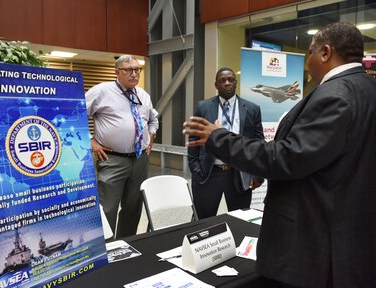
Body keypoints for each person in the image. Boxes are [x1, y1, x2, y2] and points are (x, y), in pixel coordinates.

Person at [183, 22, 376, 288]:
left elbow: (286, 158)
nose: (307, 63)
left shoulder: (336, 95)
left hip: (316, 237)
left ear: (325, 53)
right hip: (349, 228)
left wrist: (219, 138)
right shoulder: (367, 88)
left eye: (309, 53)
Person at [85, 55, 159, 238]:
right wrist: (91, 141)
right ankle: (107, 246)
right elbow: (74, 115)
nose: (134, 74)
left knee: (133, 207)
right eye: (129, 70)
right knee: (108, 207)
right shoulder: (101, 91)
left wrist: (150, 138)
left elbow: (153, 120)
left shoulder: (143, 95)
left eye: (137, 70)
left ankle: (127, 243)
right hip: (112, 159)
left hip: (140, 159)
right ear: (117, 72)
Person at [188, 67, 264, 219]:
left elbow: (258, 143)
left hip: (239, 172)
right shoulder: (203, 107)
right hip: (209, 173)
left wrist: (257, 174)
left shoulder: (252, 109)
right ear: (216, 85)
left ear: (236, 83)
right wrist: (195, 170)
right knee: (203, 220)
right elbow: (194, 138)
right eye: (222, 81)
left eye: (230, 80)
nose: (227, 83)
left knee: (240, 219)